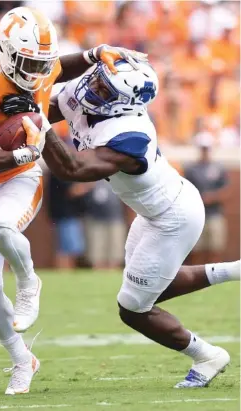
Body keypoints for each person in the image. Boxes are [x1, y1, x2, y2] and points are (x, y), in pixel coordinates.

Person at [0, 6, 147, 395]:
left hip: (20, 179)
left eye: (40, 63)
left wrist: (94, 53)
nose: (36, 74)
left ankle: (28, 282)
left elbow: (57, 67)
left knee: (0, 225)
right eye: (27, 62)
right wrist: (22, 151)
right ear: (4, 50)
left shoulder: (38, 65)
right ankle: (23, 360)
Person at [18, 58, 240, 388]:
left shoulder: (130, 136)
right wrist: (5, 102)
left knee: (133, 308)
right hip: (156, 211)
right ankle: (235, 271)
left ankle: (207, 355)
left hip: (172, 216)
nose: (94, 88)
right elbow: (44, 107)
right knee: (146, 288)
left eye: (104, 88)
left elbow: (71, 169)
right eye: (99, 80)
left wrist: (35, 121)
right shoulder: (97, 93)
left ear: (124, 102)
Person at [185, 133, 229, 264]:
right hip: (197, 214)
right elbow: (185, 190)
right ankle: (197, 279)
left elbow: (226, 191)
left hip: (215, 213)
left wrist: (213, 197)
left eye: (206, 148)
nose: (204, 151)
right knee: (196, 250)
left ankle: (215, 278)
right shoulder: (191, 169)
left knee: (216, 248)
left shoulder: (219, 168)